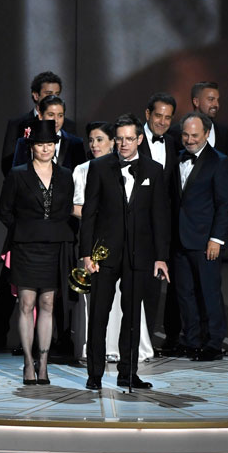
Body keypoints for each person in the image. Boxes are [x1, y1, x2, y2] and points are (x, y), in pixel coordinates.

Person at [80, 114, 170, 390]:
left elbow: (160, 217)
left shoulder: (153, 170)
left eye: (129, 139)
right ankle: (94, 374)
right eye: (119, 139)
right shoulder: (99, 167)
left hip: (139, 254)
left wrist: (160, 256)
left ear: (139, 139)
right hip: (104, 254)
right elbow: (89, 214)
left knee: (132, 315)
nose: (123, 144)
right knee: (99, 314)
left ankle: (127, 373)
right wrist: (86, 254)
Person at [0, 119, 74, 385]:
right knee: (26, 303)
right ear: (31, 146)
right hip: (25, 247)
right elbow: (3, 211)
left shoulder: (65, 175)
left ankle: (44, 364)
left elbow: (66, 210)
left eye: (50, 144)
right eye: (41, 144)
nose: (46, 149)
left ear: (56, 145)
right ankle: (28, 362)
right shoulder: (18, 174)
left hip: (54, 246)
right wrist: (25, 230)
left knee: (48, 304)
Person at [71, 121, 154, 364]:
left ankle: (128, 364)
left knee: (128, 308)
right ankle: (95, 364)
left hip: (132, 251)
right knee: (99, 309)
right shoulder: (89, 169)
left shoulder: (146, 168)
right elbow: (84, 210)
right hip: (101, 249)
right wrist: (88, 248)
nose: (94, 145)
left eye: (100, 139)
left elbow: (155, 213)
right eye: (91, 140)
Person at [172, 113, 228, 361]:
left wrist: (216, 239)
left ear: (207, 134)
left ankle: (214, 342)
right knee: (184, 293)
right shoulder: (177, 158)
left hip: (206, 240)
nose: (189, 140)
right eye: (185, 135)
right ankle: (191, 339)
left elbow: (224, 204)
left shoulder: (220, 162)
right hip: (180, 239)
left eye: (194, 135)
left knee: (209, 292)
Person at [138, 93, 179, 349]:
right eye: (158, 116)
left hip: (162, 228)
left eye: (168, 117)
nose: (162, 122)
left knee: (155, 288)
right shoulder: (132, 138)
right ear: (147, 114)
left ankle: (147, 342)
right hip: (135, 226)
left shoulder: (173, 143)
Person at [0, 71, 76, 177]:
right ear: (36, 95)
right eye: (49, 94)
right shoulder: (17, 125)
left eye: (57, 94)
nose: (53, 98)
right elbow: (7, 164)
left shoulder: (69, 126)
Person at [12, 95, 86, 169]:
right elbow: (16, 174)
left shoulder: (76, 143)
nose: (56, 120)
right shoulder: (24, 142)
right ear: (40, 115)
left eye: (60, 115)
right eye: (51, 115)